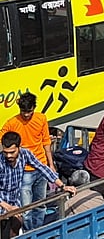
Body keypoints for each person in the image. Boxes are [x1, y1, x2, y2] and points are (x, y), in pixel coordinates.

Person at [0, 131, 76, 238]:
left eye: (12, 152)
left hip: (15, 203)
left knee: (16, 226)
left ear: (19, 148)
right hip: (2, 204)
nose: (9, 156)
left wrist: (62, 186)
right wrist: (7, 207)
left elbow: (42, 168)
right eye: (6, 152)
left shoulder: (25, 154)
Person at [2, 93, 54, 229]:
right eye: (23, 111)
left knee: (40, 205)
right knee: (25, 209)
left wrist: (51, 164)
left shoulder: (41, 119)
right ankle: (28, 232)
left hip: (40, 167)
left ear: (34, 108)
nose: (26, 114)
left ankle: (39, 231)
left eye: (29, 111)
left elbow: (46, 142)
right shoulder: (11, 123)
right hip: (24, 170)